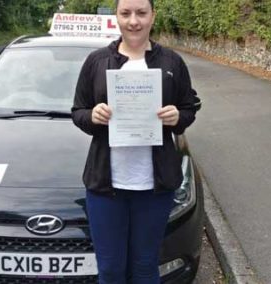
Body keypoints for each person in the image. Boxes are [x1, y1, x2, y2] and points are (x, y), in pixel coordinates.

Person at [71, 0, 200, 283]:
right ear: (116, 17)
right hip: (106, 187)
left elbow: (189, 108)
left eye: (141, 13)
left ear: (153, 16)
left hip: (154, 188)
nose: (133, 21)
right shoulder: (96, 61)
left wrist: (177, 116)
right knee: (110, 270)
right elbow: (77, 111)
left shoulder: (171, 62)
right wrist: (92, 115)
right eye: (125, 13)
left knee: (145, 266)